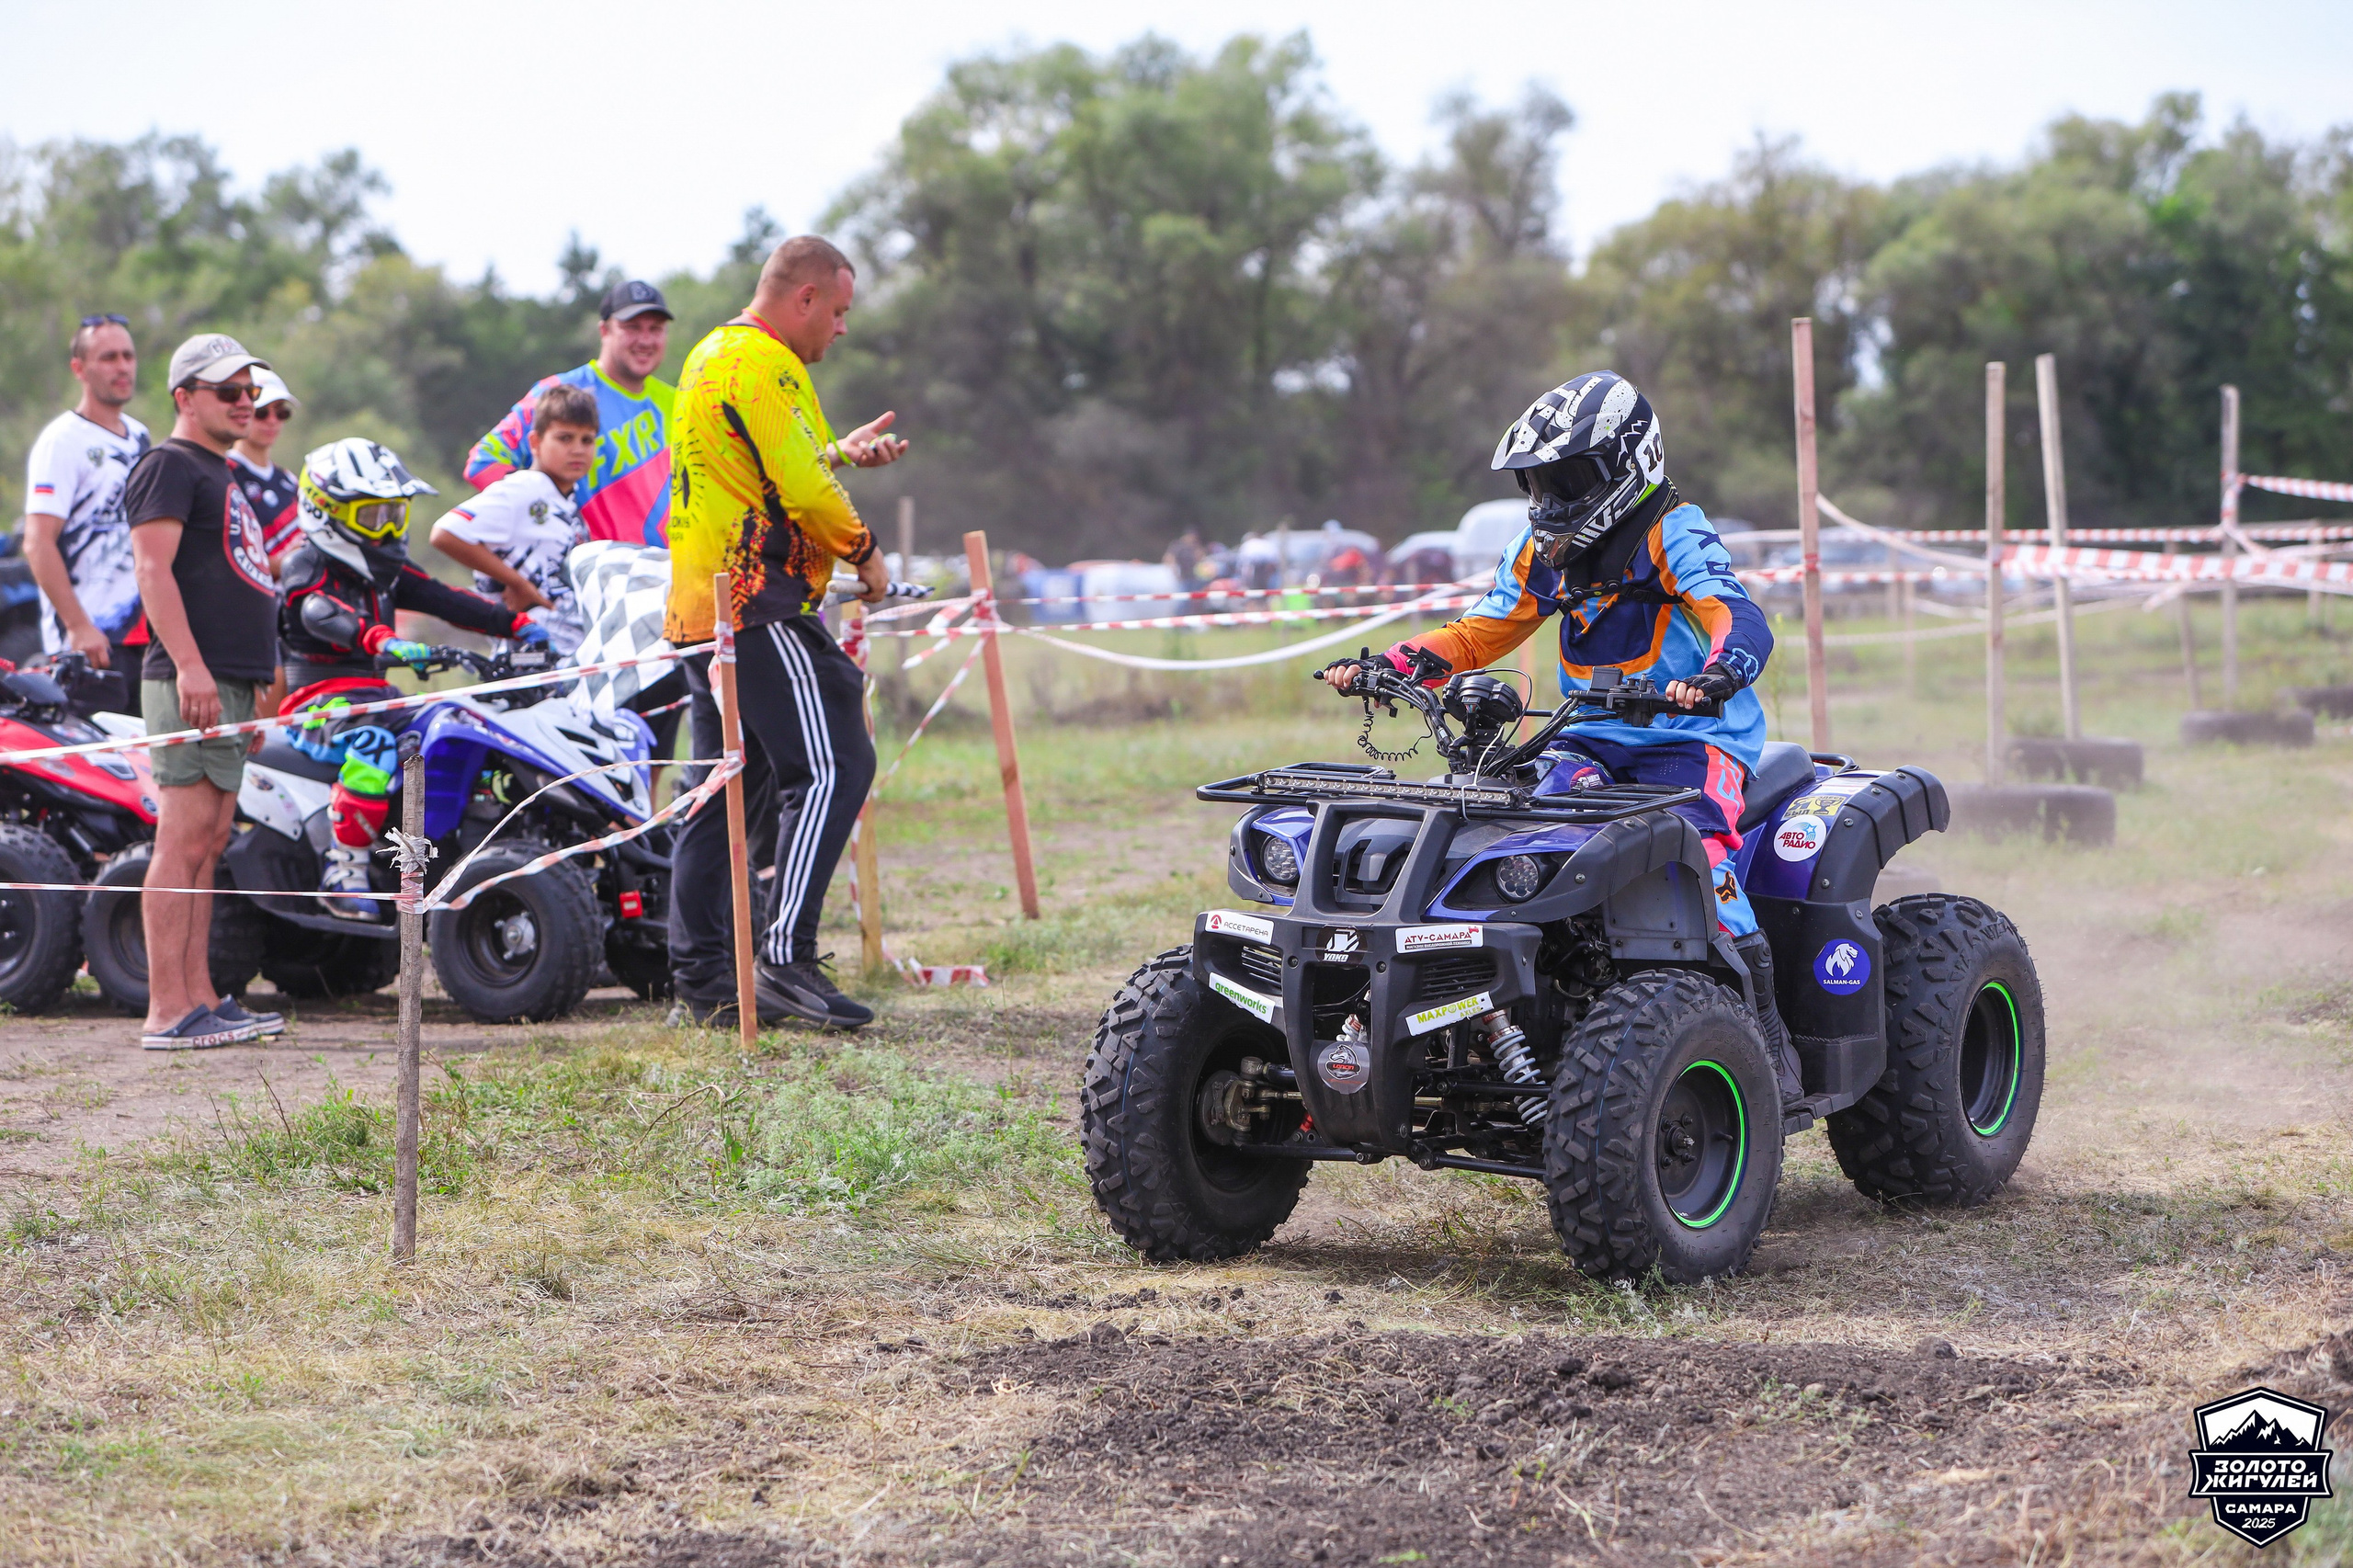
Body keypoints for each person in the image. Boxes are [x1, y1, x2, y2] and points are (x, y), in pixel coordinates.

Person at [1317, 370, 1802, 1101]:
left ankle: (1767, 1046)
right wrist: (1391, 664)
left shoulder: (1674, 530)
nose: (1549, 502)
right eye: (1537, 485)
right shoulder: (1540, 550)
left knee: (1701, 858)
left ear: (1629, 464)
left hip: (1693, 740)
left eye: (1568, 479)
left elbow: (1733, 611)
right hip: (1587, 738)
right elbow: (1483, 630)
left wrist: (1720, 672)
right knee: (1525, 841)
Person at [663, 234, 907, 1029]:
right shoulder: (764, 362)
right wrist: (865, 552)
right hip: (755, 604)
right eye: (837, 311)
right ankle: (785, 960)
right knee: (837, 762)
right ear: (803, 298)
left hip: (709, 609)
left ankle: (703, 978)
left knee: (725, 790)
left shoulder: (715, 356)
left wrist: (839, 453)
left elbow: (768, 465)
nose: (840, 329)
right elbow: (798, 484)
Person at [277, 437, 549, 915]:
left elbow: (447, 599)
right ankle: (345, 868)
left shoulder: (389, 569)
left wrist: (518, 624)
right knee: (373, 747)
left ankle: (455, 850)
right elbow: (321, 612)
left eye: (394, 515)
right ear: (326, 513)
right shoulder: (307, 563)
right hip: (318, 704)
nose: (386, 531)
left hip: (380, 697)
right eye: (372, 517)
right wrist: (386, 642)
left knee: (457, 729)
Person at [122, 335, 284, 1050]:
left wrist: (260, 679)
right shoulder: (168, 464)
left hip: (231, 683)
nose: (246, 402)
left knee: (211, 841)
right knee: (181, 838)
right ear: (185, 397)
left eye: (251, 391)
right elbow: (152, 572)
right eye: (229, 391)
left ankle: (201, 999)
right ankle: (165, 1010)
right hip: (189, 679)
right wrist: (190, 668)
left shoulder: (222, 470)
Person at [464, 279, 675, 547]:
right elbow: (484, 463)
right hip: (587, 577)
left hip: (665, 576)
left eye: (655, 329)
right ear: (604, 331)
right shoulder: (559, 393)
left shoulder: (678, 401)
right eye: (632, 327)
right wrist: (543, 517)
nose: (645, 340)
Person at [21, 313, 152, 710]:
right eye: (108, 357)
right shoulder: (62, 440)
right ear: (79, 368)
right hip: (88, 644)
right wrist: (78, 626)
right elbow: (37, 542)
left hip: (143, 638)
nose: (123, 366)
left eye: (128, 356)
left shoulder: (141, 436)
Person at [430, 383, 596, 655]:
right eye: (565, 438)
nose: (577, 449)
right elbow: (446, 532)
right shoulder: (524, 488)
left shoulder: (569, 500)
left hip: (571, 654)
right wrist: (518, 584)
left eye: (586, 440)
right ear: (536, 442)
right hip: (528, 657)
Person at [228, 369, 303, 568]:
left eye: (281, 412)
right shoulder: (225, 476)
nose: (272, 420)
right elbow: (232, 565)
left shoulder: (287, 479)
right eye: (261, 412)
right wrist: (293, 560)